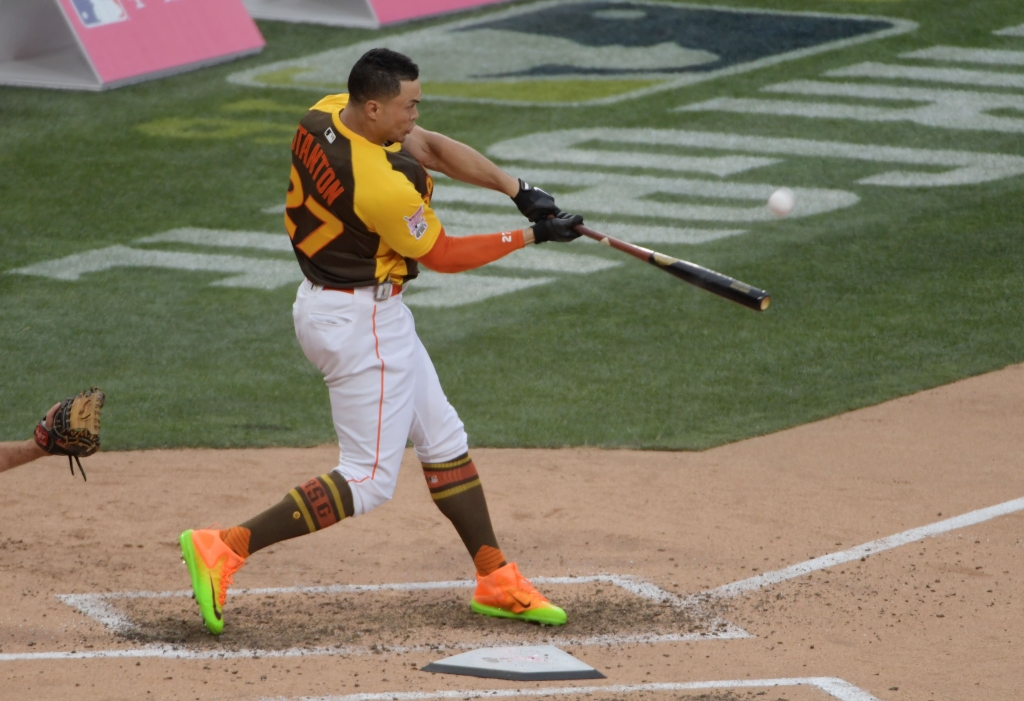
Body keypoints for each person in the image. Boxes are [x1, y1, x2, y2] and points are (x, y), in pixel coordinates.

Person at [179, 48, 584, 635]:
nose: (415, 116)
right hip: (358, 323)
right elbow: (443, 255)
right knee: (367, 480)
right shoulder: (381, 187)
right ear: (373, 107)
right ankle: (226, 545)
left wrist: (516, 187)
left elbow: (428, 147)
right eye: (408, 106)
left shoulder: (325, 113)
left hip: (345, 307)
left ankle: (495, 576)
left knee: (442, 437)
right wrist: (532, 235)